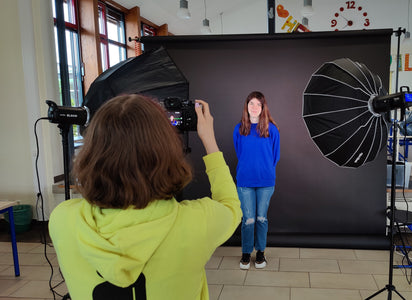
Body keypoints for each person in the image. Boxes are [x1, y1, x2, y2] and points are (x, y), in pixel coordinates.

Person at [49, 94, 242, 299]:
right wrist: (208, 139)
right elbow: (230, 206)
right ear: (167, 151)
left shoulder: (62, 220)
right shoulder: (197, 222)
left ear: (91, 153)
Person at [233, 91, 280, 270]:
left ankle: (260, 252)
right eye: (251, 103)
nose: (254, 107)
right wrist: (250, 168)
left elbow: (275, 156)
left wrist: (263, 169)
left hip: (266, 182)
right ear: (246, 106)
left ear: (263, 108)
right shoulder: (239, 129)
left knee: (261, 218)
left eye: (258, 104)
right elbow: (240, 153)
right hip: (245, 181)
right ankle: (246, 253)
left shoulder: (271, 129)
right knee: (248, 219)